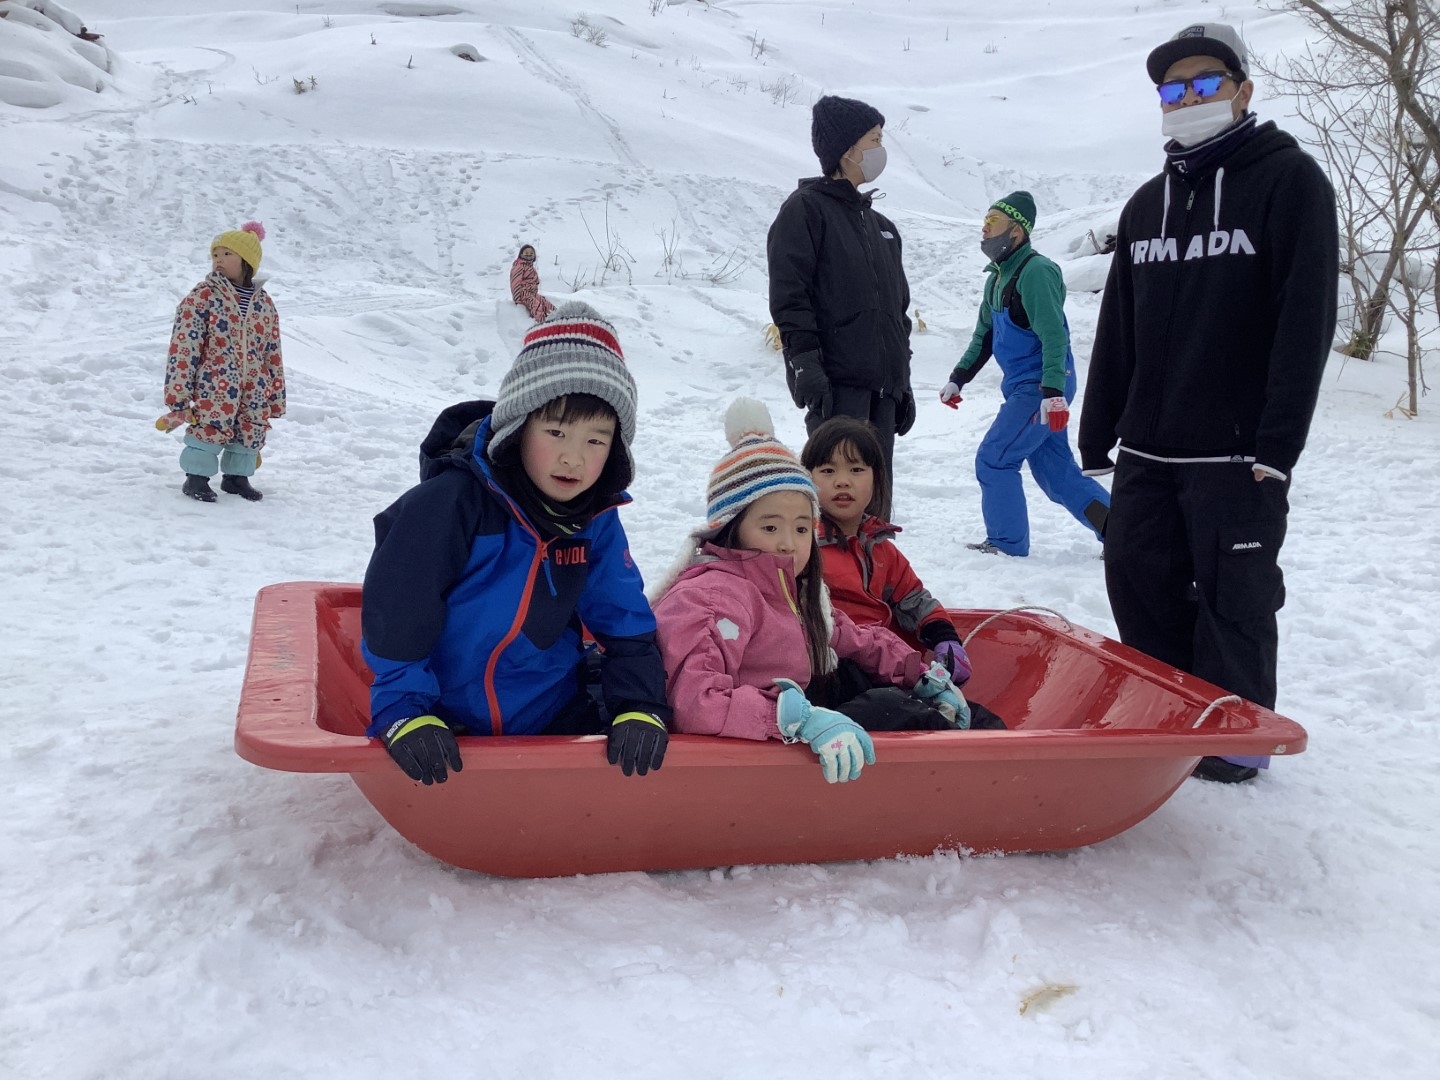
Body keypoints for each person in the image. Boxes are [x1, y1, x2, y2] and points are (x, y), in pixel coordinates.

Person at [1077, 23, 1338, 784]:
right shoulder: (1145, 206)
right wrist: (1099, 434)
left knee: (1235, 598)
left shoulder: (1289, 183)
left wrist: (1277, 447)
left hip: (1236, 454)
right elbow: (1117, 328)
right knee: (1137, 581)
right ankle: (1166, 726)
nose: (1187, 100)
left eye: (1204, 85)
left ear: (1242, 91)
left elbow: (1305, 323)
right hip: (1147, 452)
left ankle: (1232, 745)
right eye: (1173, 90)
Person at [360, 302, 670, 785]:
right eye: (556, 431)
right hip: (445, 718)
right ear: (519, 426)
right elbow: (399, 613)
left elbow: (623, 620)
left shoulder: (594, 518)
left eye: (596, 440)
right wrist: (405, 711)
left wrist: (638, 705)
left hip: (553, 715)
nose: (573, 458)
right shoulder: (449, 505)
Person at [651, 399, 976, 786]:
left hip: (778, 730)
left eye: (802, 528)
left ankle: (979, 747)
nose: (789, 543)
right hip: (740, 756)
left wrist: (920, 675)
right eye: (770, 528)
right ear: (730, 528)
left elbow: (853, 637)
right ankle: (976, 770)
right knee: (890, 707)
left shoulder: (793, 592)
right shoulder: (713, 598)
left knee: (876, 685)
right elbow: (695, 702)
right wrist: (794, 717)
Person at [940, 192, 1110, 556]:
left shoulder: (1036, 272)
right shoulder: (996, 279)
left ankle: (1006, 544)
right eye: (984, 221)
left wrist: (1053, 392)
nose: (985, 228)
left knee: (995, 457)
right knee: (1056, 474)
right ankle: (1124, 533)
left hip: (1042, 385)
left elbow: (1054, 335)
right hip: (1027, 387)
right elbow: (984, 336)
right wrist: (958, 377)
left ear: (1016, 231)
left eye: (994, 222)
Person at [766, 95, 914, 474]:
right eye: (874, 140)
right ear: (848, 150)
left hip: (884, 392)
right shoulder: (806, 210)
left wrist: (903, 382)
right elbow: (790, 297)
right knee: (837, 494)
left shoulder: (883, 228)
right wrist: (805, 364)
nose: (881, 149)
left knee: (875, 497)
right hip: (836, 388)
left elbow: (898, 313)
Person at [802, 416, 972, 675]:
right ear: (806, 479)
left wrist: (944, 638)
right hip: (833, 664)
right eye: (827, 470)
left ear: (877, 478)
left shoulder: (881, 549)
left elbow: (912, 599)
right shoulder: (805, 548)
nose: (842, 481)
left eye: (856, 470)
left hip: (885, 661)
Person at [163, 221, 285, 502]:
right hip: (215, 381)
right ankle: (196, 478)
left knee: (251, 426)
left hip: (255, 383)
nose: (218, 259)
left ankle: (236, 478)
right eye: (215, 254)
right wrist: (178, 392)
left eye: (227, 254)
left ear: (247, 262)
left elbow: (272, 350)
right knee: (210, 424)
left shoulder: (264, 303)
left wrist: (275, 394)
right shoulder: (203, 296)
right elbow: (184, 345)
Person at [509, 243, 555, 323]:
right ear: (521, 254)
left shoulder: (530, 266)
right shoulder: (519, 266)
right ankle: (542, 323)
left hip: (532, 293)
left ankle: (558, 317)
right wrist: (517, 297)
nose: (529, 255)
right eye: (526, 253)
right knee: (537, 306)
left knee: (546, 303)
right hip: (523, 293)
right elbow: (515, 282)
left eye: (531, 253)